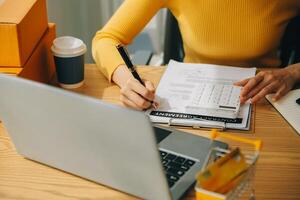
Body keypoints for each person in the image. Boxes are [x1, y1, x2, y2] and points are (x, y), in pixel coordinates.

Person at [92, 0, 300, 110]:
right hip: (189, 100)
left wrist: (292, 72)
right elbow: (106, 39)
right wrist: (128, 81)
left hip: (266, 103)